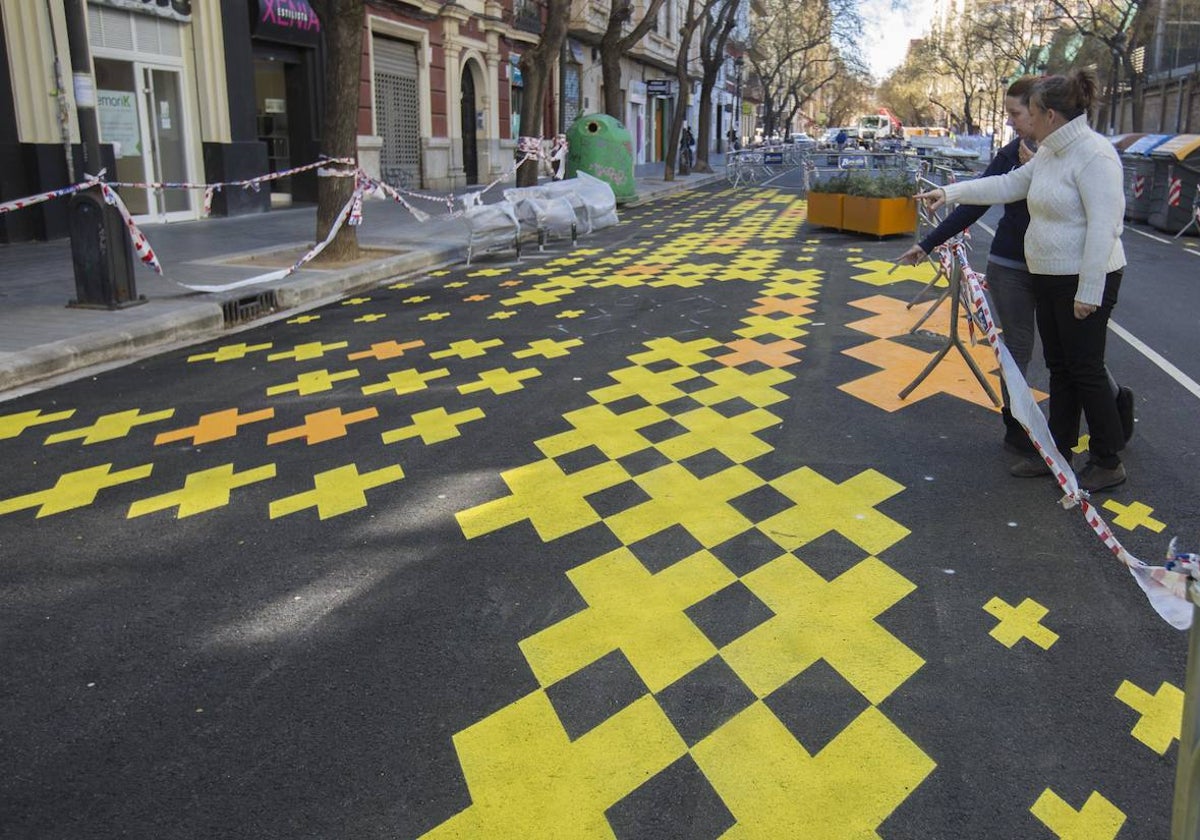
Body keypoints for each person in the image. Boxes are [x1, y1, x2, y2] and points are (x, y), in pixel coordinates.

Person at [915, 69, 1130, 492]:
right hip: (1049, 275)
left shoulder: (1094, 156)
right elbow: (1009, 184)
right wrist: (951, 193)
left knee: (1085, 370)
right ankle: (1058, 452)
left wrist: (1089, 292)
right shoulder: (1051, 152)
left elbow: (1105, 228)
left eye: (1028, 111)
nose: (1023, 120)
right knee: (1060, 369)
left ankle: (1108, 459)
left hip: (1084, 280)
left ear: (1049, 114)